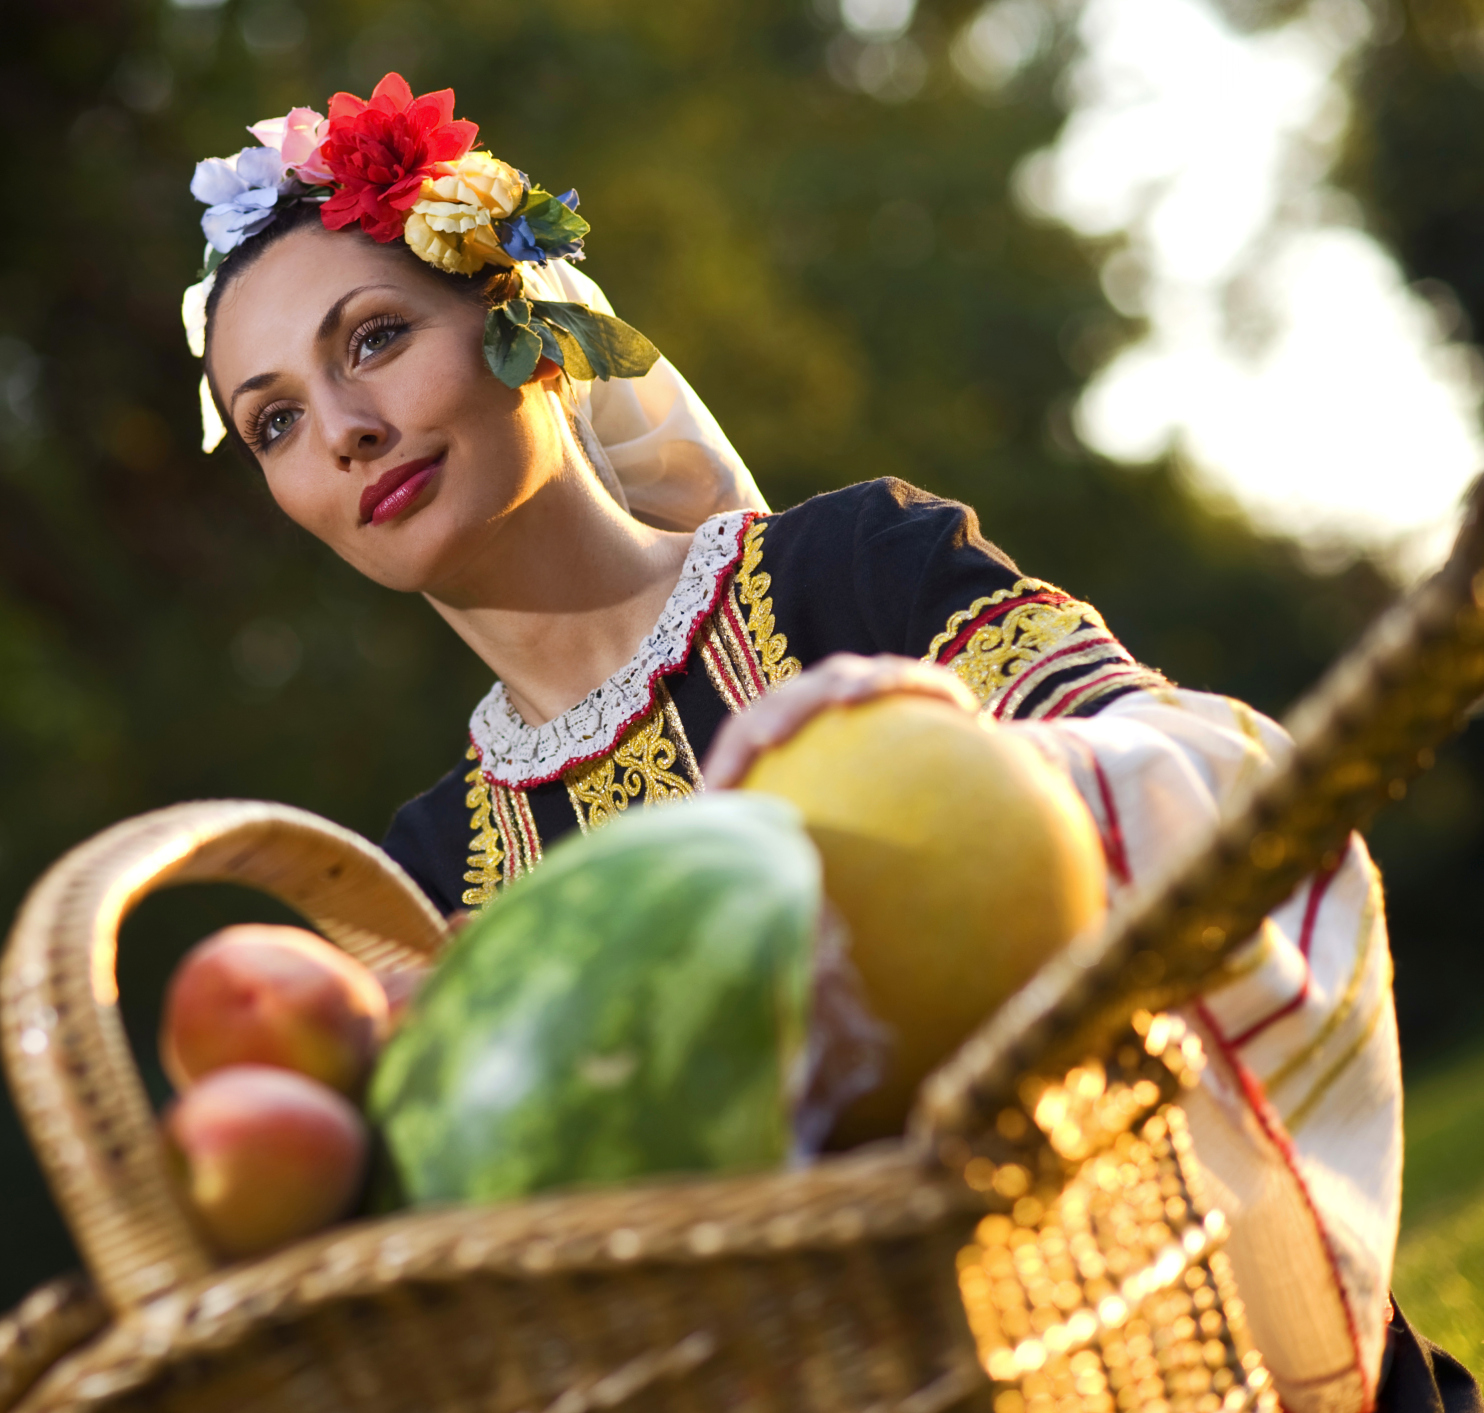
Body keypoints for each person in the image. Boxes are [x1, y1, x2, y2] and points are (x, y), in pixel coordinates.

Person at [183, 73, 1470, 1413]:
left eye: (374, 337)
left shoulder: (851, 573)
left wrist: (919, 813)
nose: (342, 431)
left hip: (1163, 1329)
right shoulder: (424, 872)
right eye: (275, 419)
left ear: (519, 314)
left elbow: (1192, 783)